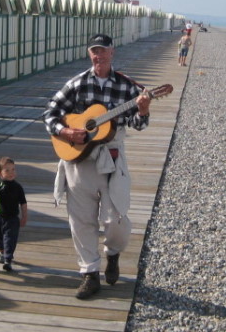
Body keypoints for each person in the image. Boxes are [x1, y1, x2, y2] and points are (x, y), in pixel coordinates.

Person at [43, 33, 153, 299]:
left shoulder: (127, 87)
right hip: (79, 160)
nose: (98, 55)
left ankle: (112, 253)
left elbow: (139, 124)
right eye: (94, 51)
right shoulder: (77, 83)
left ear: (112, 53)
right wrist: (66, 133)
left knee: (117, 218)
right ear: (89, 53)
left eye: (103, 50)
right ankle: (89, 274)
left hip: (112, 157)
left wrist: (144, 109)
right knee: (81, 220)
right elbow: (50, 112)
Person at [0, 157, 28, 272]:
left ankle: (8, 260)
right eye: (7, 170)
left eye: (13, 169)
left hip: (12, 218)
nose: (11, 173)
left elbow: (23, 203)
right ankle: (2, 252)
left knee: (10, 239)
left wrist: (24, 216)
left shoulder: (18, 187)